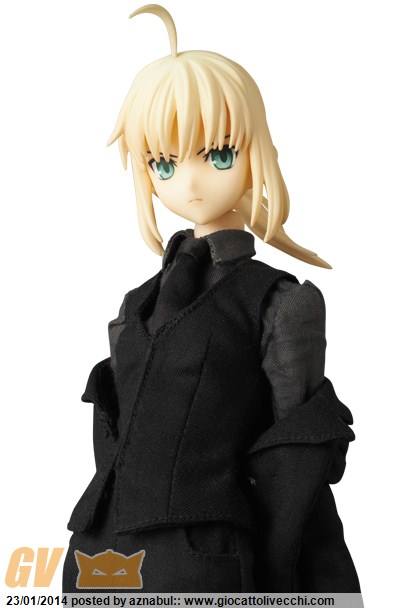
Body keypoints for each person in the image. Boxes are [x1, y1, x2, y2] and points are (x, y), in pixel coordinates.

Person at [63, 5, 360, 593]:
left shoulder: (279, 303)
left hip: (210, 564)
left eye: (219, 154)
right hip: (99, 557)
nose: (190, 182)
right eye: (163, 162)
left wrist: (294, 583)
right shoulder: (135, 307)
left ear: (255, 151)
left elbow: (294, 460)